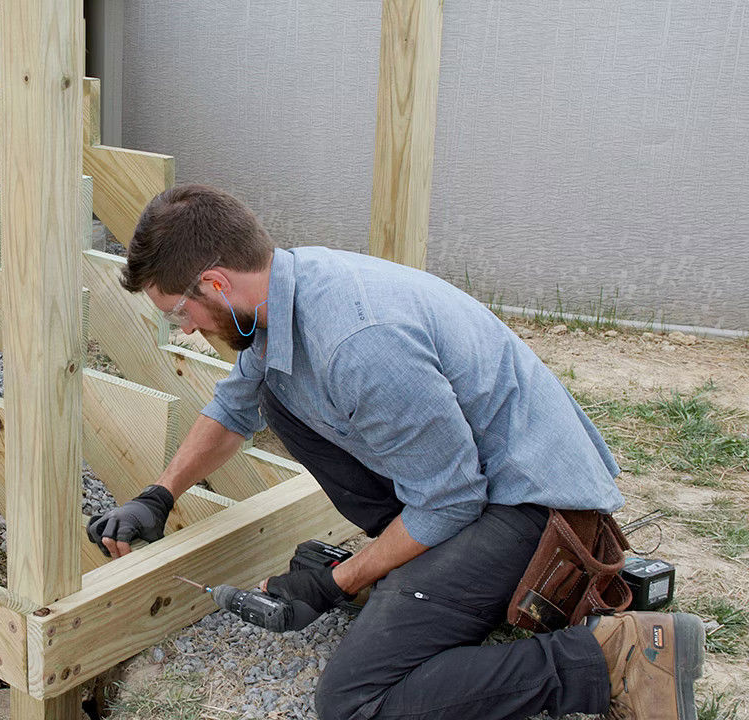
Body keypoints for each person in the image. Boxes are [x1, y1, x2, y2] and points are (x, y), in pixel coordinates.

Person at [86, 184, 704, 720]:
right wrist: (159, 495)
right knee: (276, 392)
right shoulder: (283, 297)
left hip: (533, 509)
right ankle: (422, 570)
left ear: (217, 282)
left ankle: (614, 657)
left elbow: (452, 500)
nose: (186, 328)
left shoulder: (359, 343)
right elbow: (233, 408)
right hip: (476, 488)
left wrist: (338, 582)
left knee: (354, 701)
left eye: (180, 311)